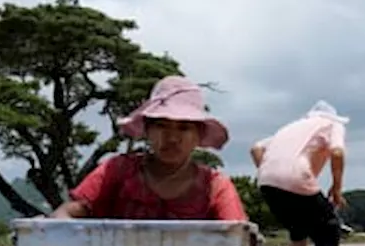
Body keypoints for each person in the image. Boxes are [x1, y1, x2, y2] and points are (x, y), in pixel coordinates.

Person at [53, 76, 248, 221]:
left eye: (184, 127)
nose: (172, 138)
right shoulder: (117, 170)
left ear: (198, 136)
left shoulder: (215, 187)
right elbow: (69, 212)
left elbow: (237, 241)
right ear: (147, 130)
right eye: (161, 125)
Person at [250, 101, 349, 246]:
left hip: (266, 181)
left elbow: (256, 148)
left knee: (298, 230)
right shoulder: (331, 125)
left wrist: (270, 172)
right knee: (329, 229)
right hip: (296, 177)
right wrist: (337, 189)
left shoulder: (292, 127)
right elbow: (338, 153)